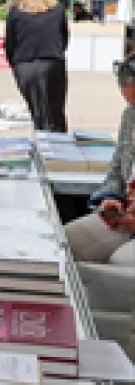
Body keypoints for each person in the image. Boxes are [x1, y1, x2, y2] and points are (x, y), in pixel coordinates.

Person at [65, 56, 135, 267]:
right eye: (130, 101)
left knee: (121, 262)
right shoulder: (130, 116)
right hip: (128, 215)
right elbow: (117, 169)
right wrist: (113, 198)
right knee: (66, 241)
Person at [3, 0, 69, 132]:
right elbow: (64, 38)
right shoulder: (58, 10)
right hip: (52, 64)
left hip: (24, 66)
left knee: (37, 113)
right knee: (55, 113)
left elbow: (10, 44)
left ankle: (41, 144)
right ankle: (59, 148)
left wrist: (15, 65)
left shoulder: (15, 13)